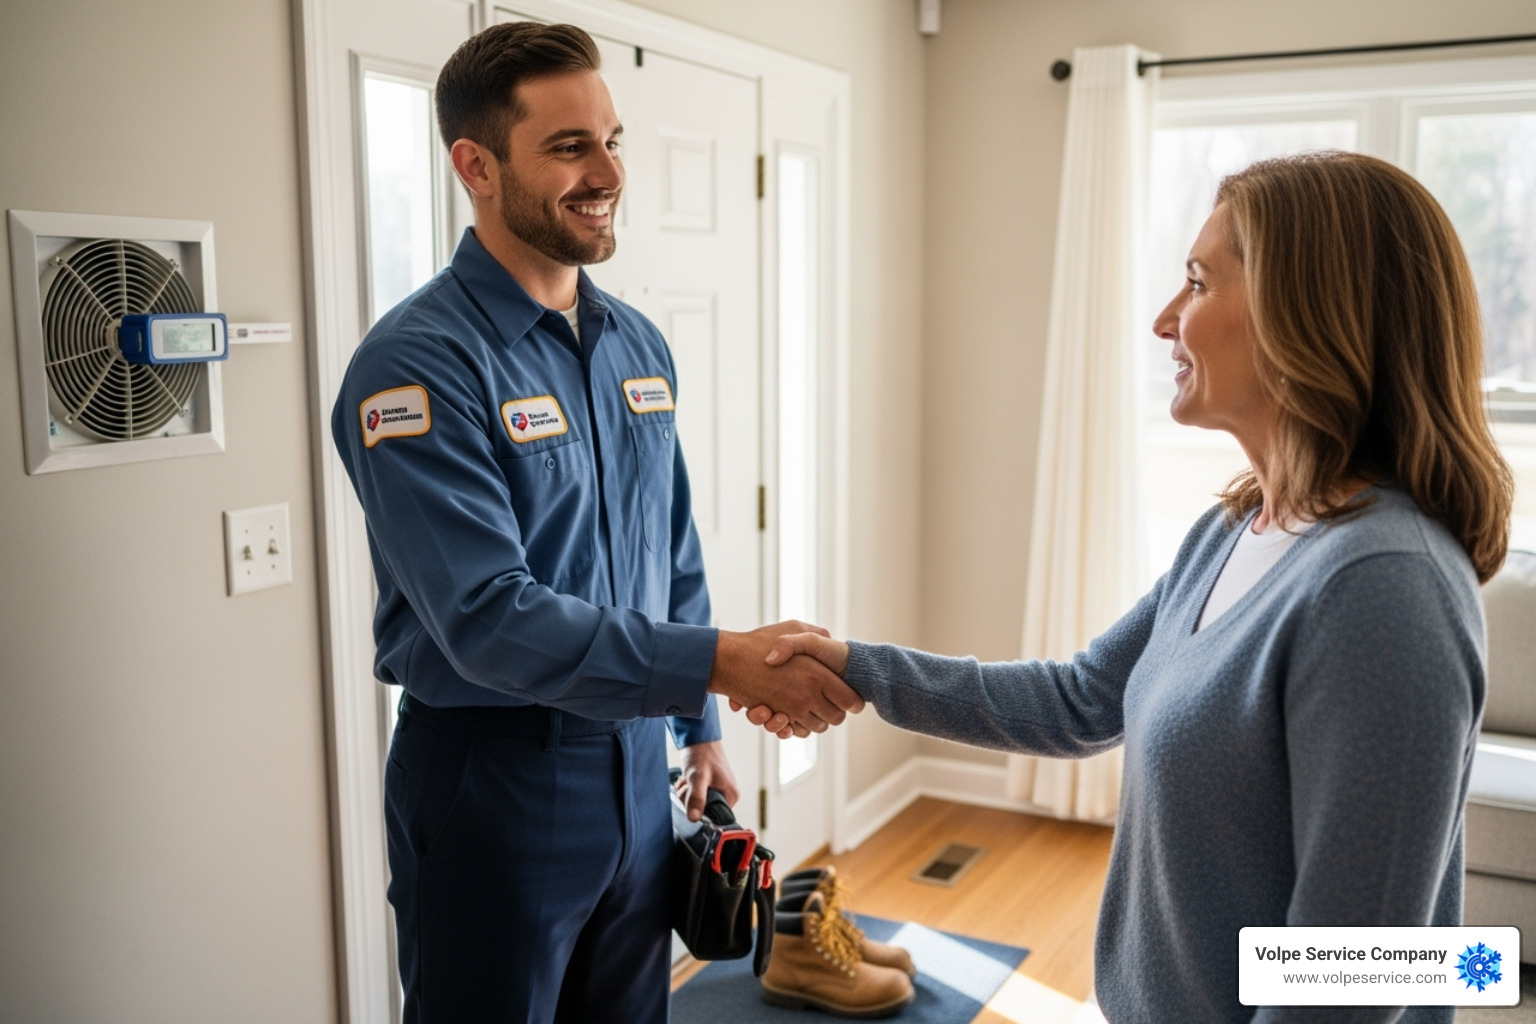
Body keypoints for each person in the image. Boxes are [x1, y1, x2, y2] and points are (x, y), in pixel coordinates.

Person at [750, 151, 1514, 1023]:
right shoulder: (1236, 529)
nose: (1164, 321)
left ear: (1304, 314)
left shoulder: (1387, 589)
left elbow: (1354, 975)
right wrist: (857, 667)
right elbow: (1078, 700)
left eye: (1196, 283)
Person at [330, 22, 860, 1024]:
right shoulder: (416, 366)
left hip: (640, 774)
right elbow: (487, 617)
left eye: (612, 140)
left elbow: (673, 545)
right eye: (570, 147)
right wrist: (718, 662)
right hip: (495, 781)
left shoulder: (636, 342)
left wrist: (700, 729)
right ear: (475, 165)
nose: (608, 171)